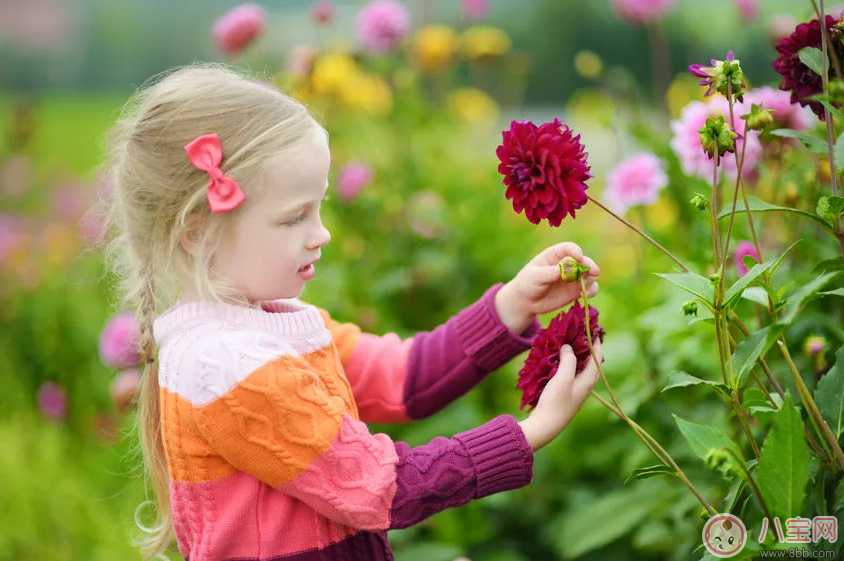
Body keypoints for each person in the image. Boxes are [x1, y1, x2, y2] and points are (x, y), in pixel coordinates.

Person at [101, 63, 603, 561]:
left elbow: (404, 376)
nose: (321, 233)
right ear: (196, 232)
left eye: (318, 207)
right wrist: (531, 431)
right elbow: (378, 485)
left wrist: (512, 305)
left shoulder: (276, 325)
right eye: (294, 217)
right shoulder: (228, 366)